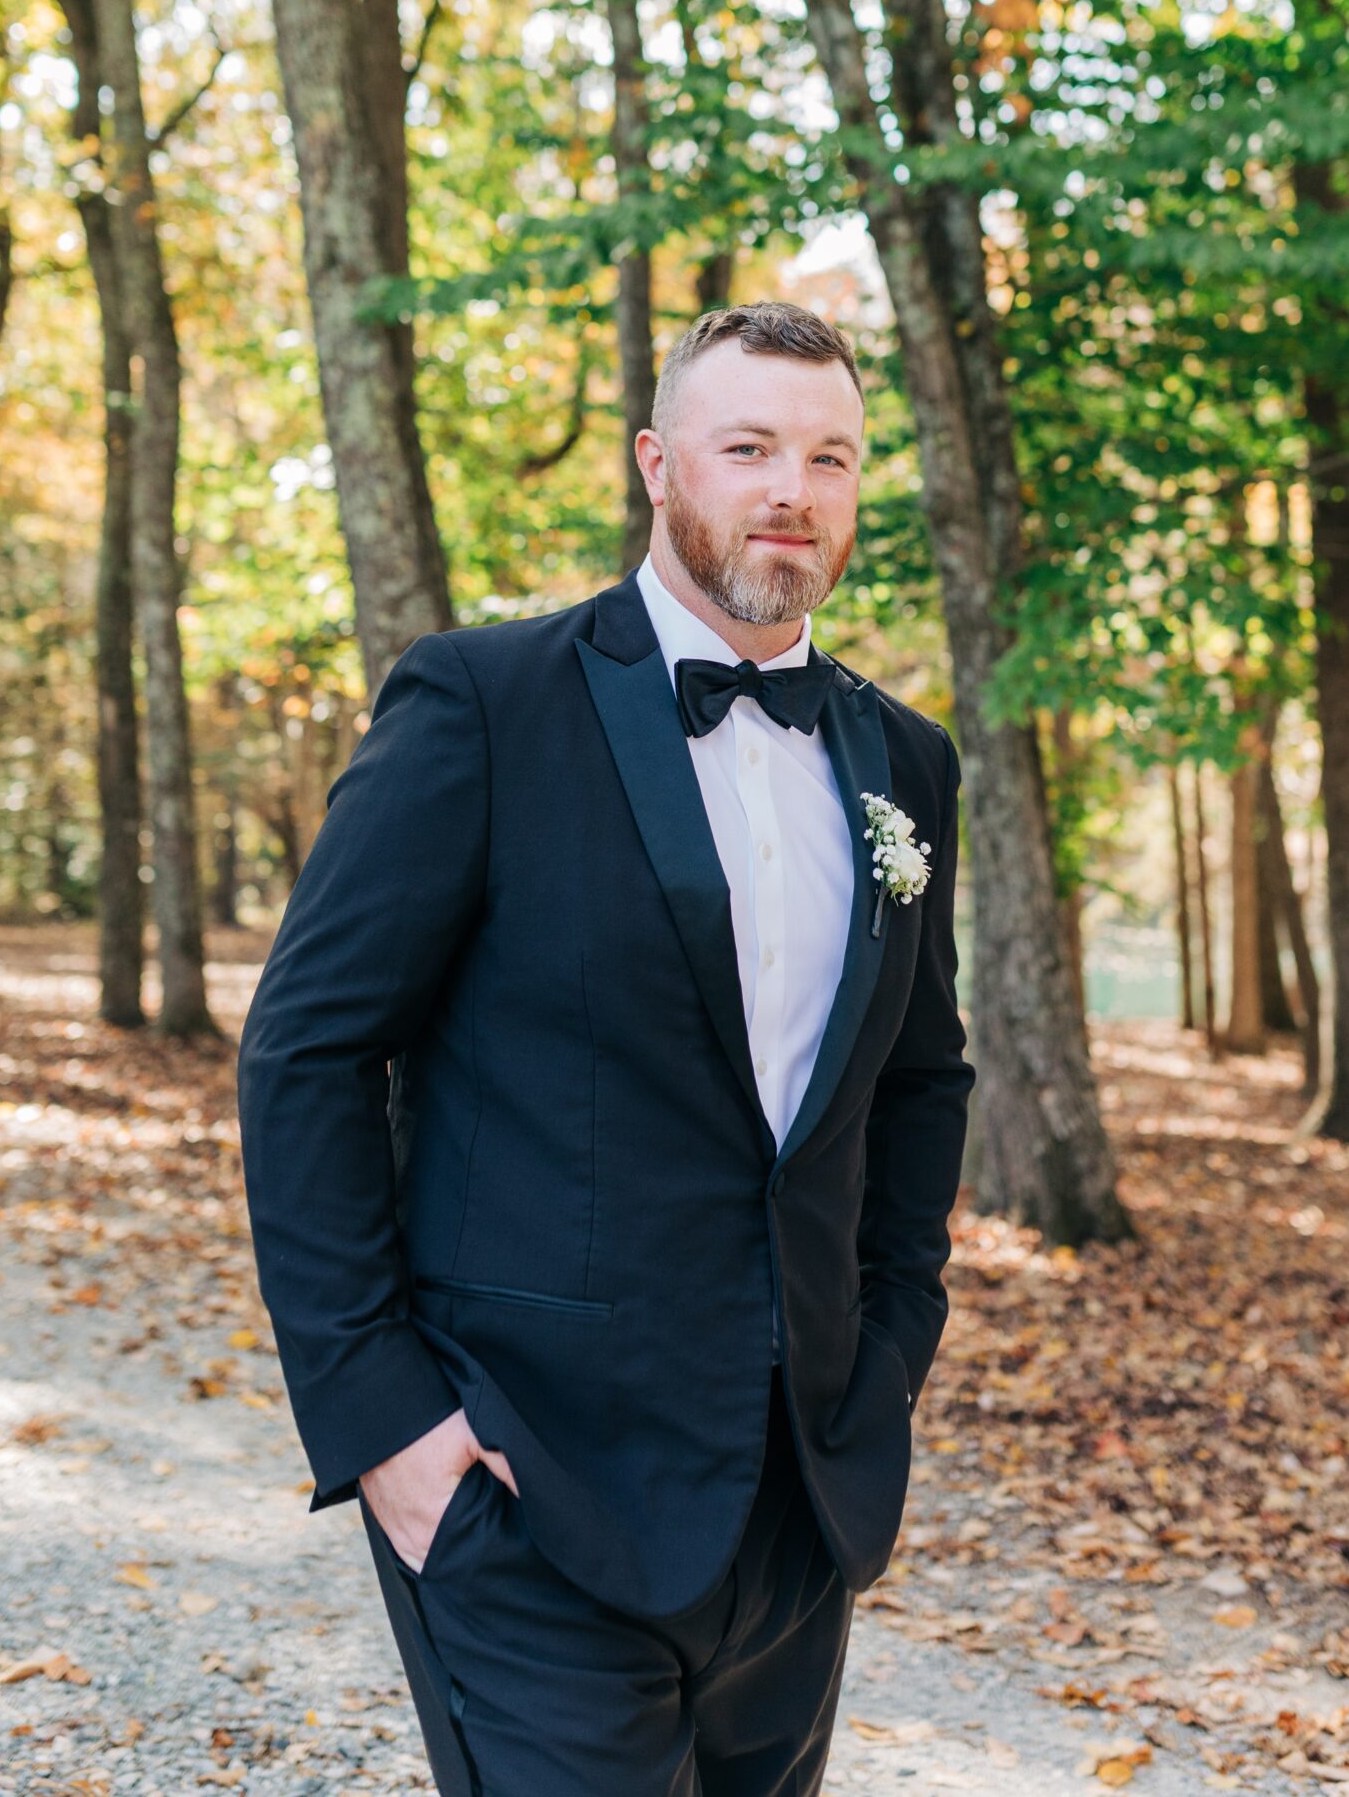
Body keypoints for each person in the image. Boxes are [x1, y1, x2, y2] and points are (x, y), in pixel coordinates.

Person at [236, 300, 973, 1796]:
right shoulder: (484, 705)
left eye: (831, 458)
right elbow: (305, 1054)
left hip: (800, 1497)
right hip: (527, 1488)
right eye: (749, 446)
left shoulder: (905, 761)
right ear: (658, 465)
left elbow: (918, 1082)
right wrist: (391, 1430)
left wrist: (887, 1355)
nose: (792, 490)